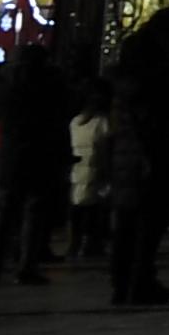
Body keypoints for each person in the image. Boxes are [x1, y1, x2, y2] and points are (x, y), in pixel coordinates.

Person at [107, 6, 169, 308]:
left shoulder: (128, 79)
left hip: (129, 157)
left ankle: (124, 283)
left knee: (129, 223)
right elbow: (157, 118)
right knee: (147, 222)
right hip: (150, 155)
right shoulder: (159, 75)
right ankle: (138, 281)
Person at [0, 42, 76, 285]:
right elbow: (63, 113)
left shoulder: (6, 87)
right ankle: (26, 265)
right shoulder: (51, 85)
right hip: (41, 154)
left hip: (11, 155)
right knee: (33, 213)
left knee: (2, 215)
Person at [66, 80, 113, 261]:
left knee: (76, 209)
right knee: (94, 211)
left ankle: (74, 244)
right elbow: (106, 146)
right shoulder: (102, 122)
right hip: (95, 168)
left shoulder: (75, 122)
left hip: (77, 169)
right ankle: (91, 244)